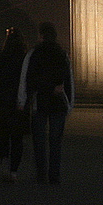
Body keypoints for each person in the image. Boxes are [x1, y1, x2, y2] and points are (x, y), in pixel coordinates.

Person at [25, 22, 71, 185]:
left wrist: (24, 100)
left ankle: (41, 174)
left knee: (39, 140)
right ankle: (54, 175)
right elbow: (68, 80)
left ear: (41, 35)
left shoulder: (34, 53)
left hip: (41, 102)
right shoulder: (62, 54)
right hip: (59, 103)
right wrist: (69, 104)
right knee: (55, 141)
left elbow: (29, 79)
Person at [0, 29, 28, 182]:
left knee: (3, 137)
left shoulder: (0, 60)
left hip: (2, 104)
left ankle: (4, 164)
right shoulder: (24, 60)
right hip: (19, 105)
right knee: (17, 139)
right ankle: (14, 171)